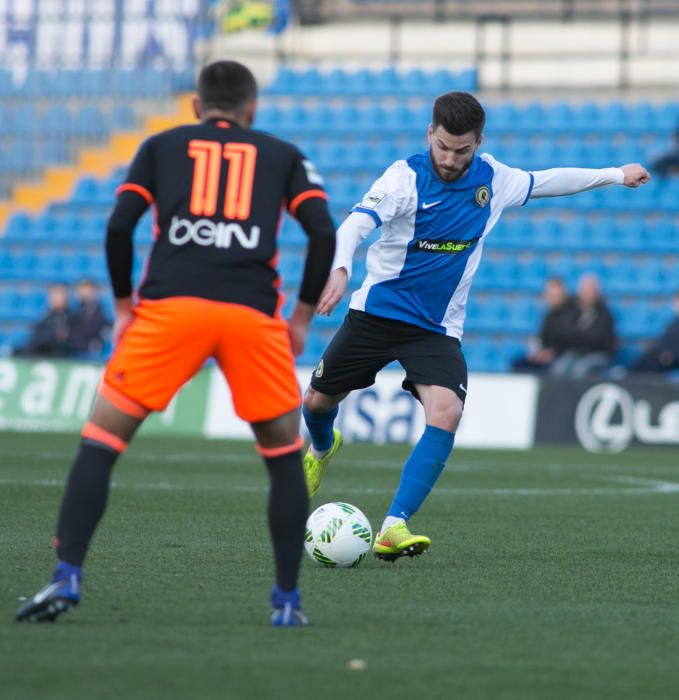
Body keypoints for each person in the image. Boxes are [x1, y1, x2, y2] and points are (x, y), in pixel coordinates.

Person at [16, 60, 336, 627]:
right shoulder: (283, 155)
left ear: (195, 106)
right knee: (284, 458)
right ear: (251, 110)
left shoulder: (161, 145)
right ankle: (287, 602)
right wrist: (303, 317)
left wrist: (120, 306)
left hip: (170, 311)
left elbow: (119, 225)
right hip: (251, 316)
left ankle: (66, 575)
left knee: (100, 442)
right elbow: (321, 231)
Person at [300, 91, 650, 561]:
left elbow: (548, 181)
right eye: (442, 146)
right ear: (430, 134)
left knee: (446, 412)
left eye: (460, 150)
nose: (448, 158)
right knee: (317, 402)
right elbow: (354, 226)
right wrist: (341, 268)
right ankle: (322, 448)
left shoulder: (494, 179)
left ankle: (394, 526)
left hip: (436, 328)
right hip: (376, 314)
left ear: (478, 142)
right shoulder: (404, 177)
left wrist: (614, 174)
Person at [548, 273, 617, 378]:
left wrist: (577, 335)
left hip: (598, 354)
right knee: (560, 367)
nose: (586, 293)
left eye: (589, 290)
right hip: (576, 353)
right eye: (584, 290)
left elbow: (596, 339)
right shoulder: (573, 312)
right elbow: (565, 332)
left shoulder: (604, 314)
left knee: (580, 370)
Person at [512, 277, 572, 372]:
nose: (552, 297)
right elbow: (543, 339)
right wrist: (538, 353)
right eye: (550, 294)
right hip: (545, 355)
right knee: (518, 363)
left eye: (555, 294)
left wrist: (552, 353)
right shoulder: (548, 316)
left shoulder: (571, 314)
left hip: (562, 356)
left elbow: (571, 341)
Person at [15, 283, 71, 357]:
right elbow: (37, 335)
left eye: (60, 294)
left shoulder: (71, 317)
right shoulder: (46, 316)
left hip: (58, 355)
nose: (57, 297)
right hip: (41, 352)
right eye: (54, 294)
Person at [629, 292, 679, 373]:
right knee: (648, 355)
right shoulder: (673, 322)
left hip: (673, 358)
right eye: (676, 302)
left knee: (654, 359)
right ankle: (630, 376)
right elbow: (664, 341)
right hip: (663, 353)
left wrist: (673, 356)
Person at [67, 279, 111, 355]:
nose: (85, 293)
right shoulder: (73, 312)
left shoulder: (100, 313)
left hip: (92, 353)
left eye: (88, 290)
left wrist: (99, 342)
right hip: (73, 351)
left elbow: (105, 332)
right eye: (83, 290)